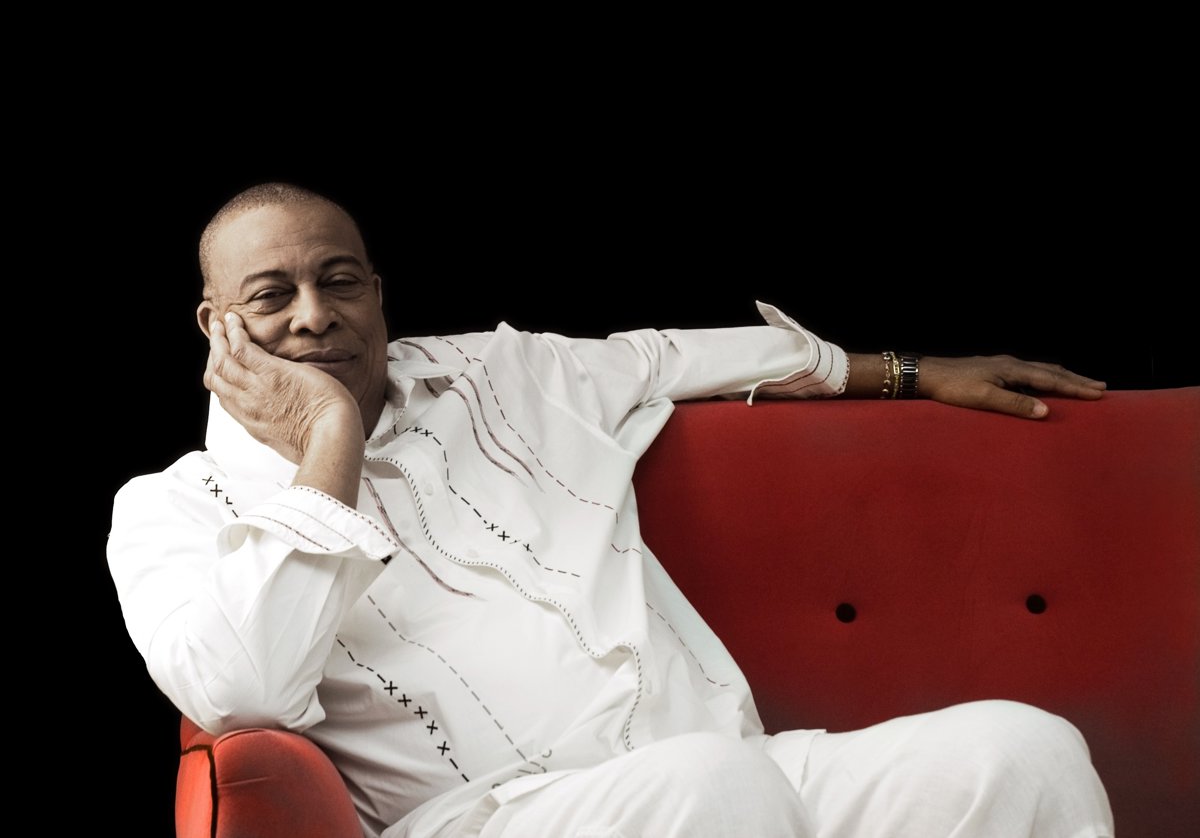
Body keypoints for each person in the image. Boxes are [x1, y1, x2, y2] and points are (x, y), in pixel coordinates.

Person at [107, 182, 1115, 838]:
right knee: (710, 789)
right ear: (215, 323)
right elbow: (244, 689)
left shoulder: (503, 375)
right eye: (270, 296)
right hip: (491, 818)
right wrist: (328, 437)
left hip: (740, 772)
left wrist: (911, 371)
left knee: (1020, 753)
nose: (314, 314)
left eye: (338, 282)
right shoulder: (171, 507)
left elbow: (679, 355)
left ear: (376, 292)